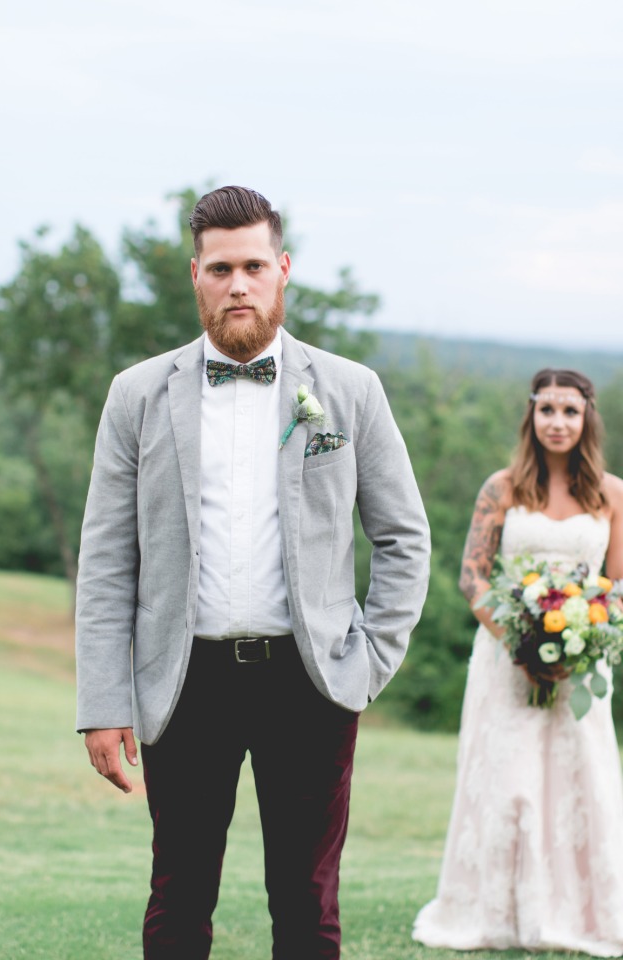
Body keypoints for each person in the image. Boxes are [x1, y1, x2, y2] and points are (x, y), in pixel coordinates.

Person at [75, 185, 430, 960]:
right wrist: (102, 702)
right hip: (183, 680)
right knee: (178, 896)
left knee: (307, 901)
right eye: (221, 268)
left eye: (254, 266)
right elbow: (105, 561)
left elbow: (403, 538)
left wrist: (367, 662)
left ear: (283, 271)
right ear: (195, 275)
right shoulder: (136, 395)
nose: (239, 284)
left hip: (310, 680)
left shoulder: (349, 390)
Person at [413, 367, 623, 956]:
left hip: (582, 665)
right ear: (531, 416)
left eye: (570, 411)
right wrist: (521, 642)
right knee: (509, 783)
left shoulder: (611, 493)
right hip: (505, 659)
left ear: (587, 420)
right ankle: (496, 913)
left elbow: (617, 583)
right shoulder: (502, 487)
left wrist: (584, 636)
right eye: (548, 410)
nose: (558, 422)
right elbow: (473, 576)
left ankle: (579, 912)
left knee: (580, 779)